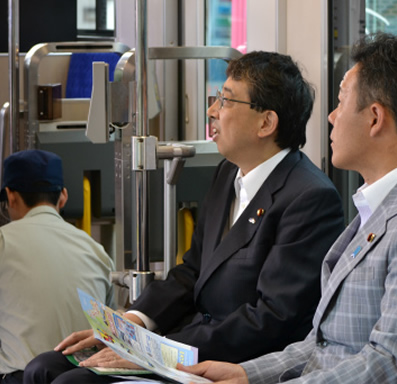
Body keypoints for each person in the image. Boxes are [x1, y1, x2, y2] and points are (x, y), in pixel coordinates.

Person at [24, 51, 345, 383]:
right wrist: (130, 325)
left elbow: (272, 319)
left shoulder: (309, 198)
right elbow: (192, 271)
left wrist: (157, 350)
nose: (212, 110)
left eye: (226, 101)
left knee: (73, 383)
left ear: (266, 123)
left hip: (228, 361)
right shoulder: (228, 173)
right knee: (43, 368)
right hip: (186, 340)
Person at [180, 32, 397, 384]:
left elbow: (393, 363)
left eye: (341, 101)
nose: (332, 116)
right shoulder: (378, 208)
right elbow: (321, 345)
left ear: (375, 118)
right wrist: (246, 374)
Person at [0, 149, 115, 384]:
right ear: (63, 197)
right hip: (83, 378)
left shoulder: (3, 241)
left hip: (21, 378)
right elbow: (108, 331)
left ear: (11, 197)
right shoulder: (97, 251)